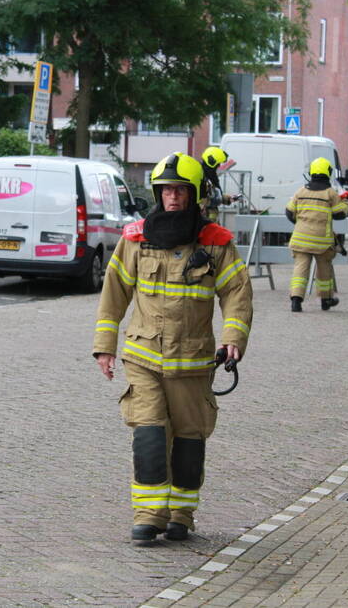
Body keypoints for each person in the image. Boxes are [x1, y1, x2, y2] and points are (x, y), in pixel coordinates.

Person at [92, 152, 253, 545]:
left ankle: (181, 514)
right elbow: (114, 294)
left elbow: (236, 293)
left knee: (188, 440)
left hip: (194, 362)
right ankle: (148, 514)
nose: (173, 198)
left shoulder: (216, 243)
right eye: (166, 191)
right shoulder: (135, 239)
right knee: (148, 435)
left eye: (181, 191)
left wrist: (234, 338)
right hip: (143, 358)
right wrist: (104, 347)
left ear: (194, 194)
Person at [285, 157, 348, 312]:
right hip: (322, 241)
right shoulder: (330, 193)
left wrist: (301, 224)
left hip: (300, 238)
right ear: (328, 173)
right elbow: (340, 214)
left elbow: (289, 212)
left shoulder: (301, 191)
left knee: (300, 269)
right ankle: (326, 300)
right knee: (324, 269)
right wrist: (346, 202)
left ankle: (296, 300)